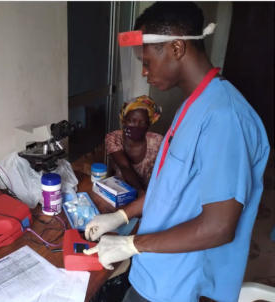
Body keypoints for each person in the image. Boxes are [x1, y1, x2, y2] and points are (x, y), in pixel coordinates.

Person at [83, 2, 270, 302]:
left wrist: (131, 244)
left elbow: (219, 227)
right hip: (154, 269)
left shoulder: (225, 118)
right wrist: (121, 215)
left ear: (177, 48)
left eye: (146, 61)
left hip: (179, 285)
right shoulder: (193, 105)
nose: (144, 72)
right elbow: (170, 189)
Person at [106, 95, 163, 191]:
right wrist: (140, 194)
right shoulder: (114, 138)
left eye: (143, 122)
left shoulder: (157, 141)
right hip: (119, 189)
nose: (136, 126)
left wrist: (145, 197)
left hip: (149, 192)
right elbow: (124, 167)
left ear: (149, 124)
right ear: (123, 121)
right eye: (131, 121)